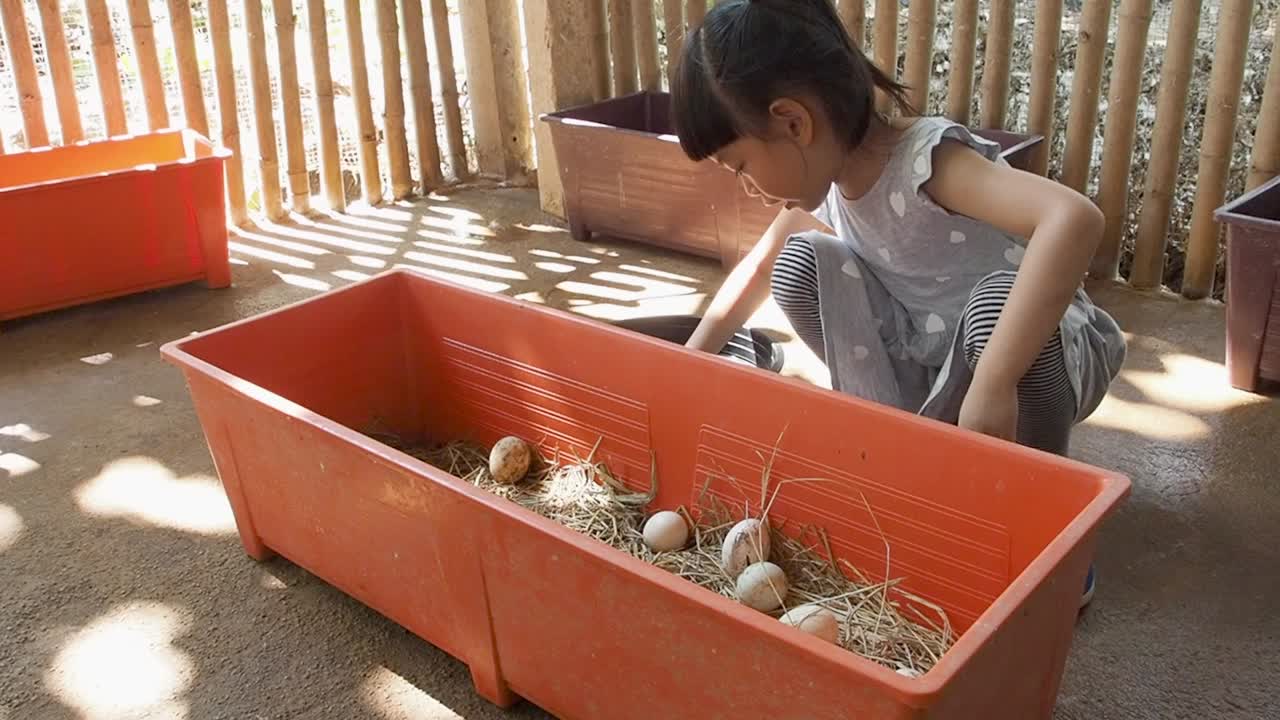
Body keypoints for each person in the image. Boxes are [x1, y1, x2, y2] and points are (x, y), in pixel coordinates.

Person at [671, 0, 1126, 609]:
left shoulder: (924, 162)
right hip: (938, 359)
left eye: (740, 166)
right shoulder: (828, 184)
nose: (747, 187)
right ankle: (904, 452)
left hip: (1038, 356)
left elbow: (1073, 218)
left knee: (994, 309)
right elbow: (758, 268)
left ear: (793, 123)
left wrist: (994, 383)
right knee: (801, 263)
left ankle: (1048, 531)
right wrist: (690, 361)